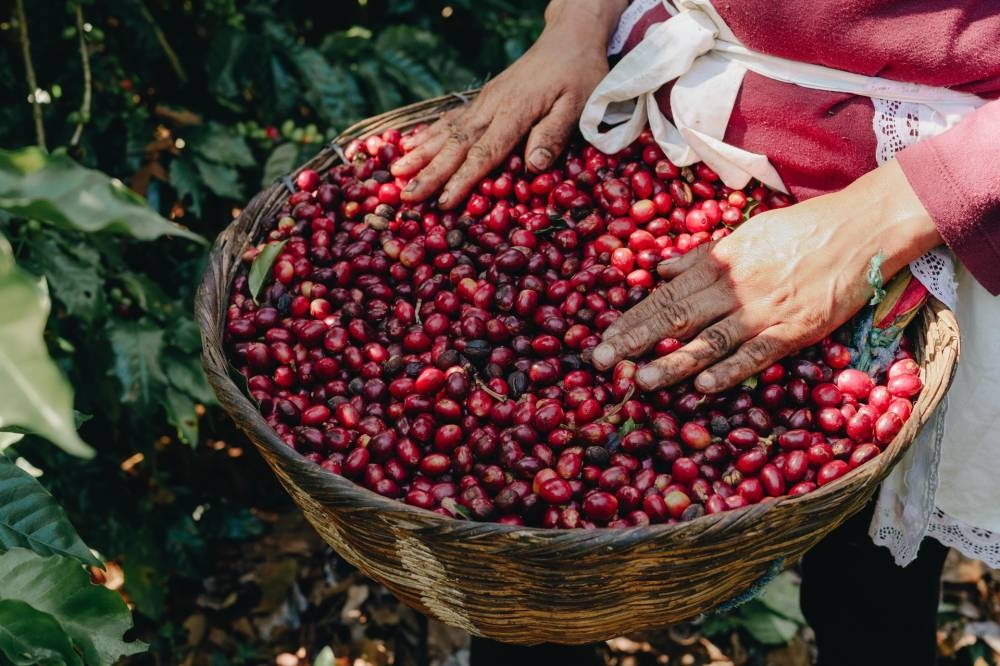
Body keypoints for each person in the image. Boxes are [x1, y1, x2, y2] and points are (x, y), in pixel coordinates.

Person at [391, 1, 1000, 664]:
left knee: (872, 597)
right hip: (664, 133)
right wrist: (578, 21)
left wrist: (880, 217)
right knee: (533, 592)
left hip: (912, 202)